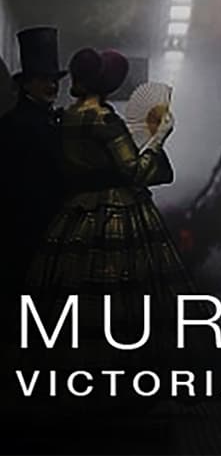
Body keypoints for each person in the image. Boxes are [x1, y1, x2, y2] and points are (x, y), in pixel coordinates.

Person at [27, 46, 190, 364]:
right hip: (118, 214)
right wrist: (159, 138)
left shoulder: (66, 117)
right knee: (127, 297)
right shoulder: (105, 120)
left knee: (71, 297)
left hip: (74, 215)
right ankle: (123, 374)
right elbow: (136, 172)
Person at [0, 27, 66, 337]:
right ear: (27, 84)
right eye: (44, 79)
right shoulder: (18, 125)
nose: (51, 85)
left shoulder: (43, 121)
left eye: (54, 79)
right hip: (27, 230)